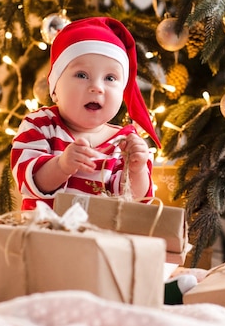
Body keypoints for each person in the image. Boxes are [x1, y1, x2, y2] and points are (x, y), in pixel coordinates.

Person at [11, 16, 161, 210]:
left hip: (101, 236)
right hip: (46, 232)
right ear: (55, 89)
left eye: (110, 78)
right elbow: (28, 181)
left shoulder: (124, 142)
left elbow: (133, 203)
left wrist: (136, 169)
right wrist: (61, 166)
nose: (97, 87)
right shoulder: (40, 125)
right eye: (82, 75)